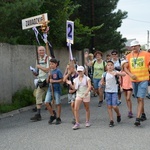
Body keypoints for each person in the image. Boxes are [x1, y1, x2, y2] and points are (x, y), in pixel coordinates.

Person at [124, 40, 150, 126]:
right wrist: (131, 75)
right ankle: (143, 114)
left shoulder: (146, 54)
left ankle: (137, 118)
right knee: (139, 98)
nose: (133, 48)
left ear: (139, 46)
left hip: (144, 79)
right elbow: (125, 68)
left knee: (140, 98)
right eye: (132, 46)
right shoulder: (128, 56)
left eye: (135, 46)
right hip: (134, 80)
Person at [100, 61, 125, 127]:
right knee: (109, 106)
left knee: (114, 106)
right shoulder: (104, 74)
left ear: (113, 66)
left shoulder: (115, 72)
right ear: (106, 67)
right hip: (107, 91)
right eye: (108, 65)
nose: (110, 66)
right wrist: (102, 83)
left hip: (114, 91)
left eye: (111, 65)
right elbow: (102, 81)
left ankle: (118, 114)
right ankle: (111, 120)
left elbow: (124, 74)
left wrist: (117, 73)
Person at [30, 46, 50, 121]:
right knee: (38, 96)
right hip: (40, 81)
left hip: (47, 81)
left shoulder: (48, 58)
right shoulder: (38, 60)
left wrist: (40, 67)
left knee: (49, 99)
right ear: (38, 52)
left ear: (44, 51)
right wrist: (34, 72)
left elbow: (48, 70)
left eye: (42, 50)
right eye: (40, 50)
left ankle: (54, 113)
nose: (41, 52)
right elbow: (37, 71)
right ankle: (38, 114)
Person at [68, 66, 91, 130]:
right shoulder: (75, 79)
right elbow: (75, 88)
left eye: (81, 71)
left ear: (84, 71)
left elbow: (89, 86)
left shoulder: (87, 78)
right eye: (78, 71)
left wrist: (87, 91)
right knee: (76, 108)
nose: (80, 72)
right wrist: (70, 84)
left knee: (87, 108)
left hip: (86, 94)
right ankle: (77, 123)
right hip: (79, 94)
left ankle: (87, 121)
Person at [44, 58, 63, 125]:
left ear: (56, 64)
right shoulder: (50, 71)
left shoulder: (58, 71)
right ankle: (52, 115)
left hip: (56, 89)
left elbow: (62, 80)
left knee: (58, 103)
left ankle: (58, 117)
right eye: (50, 64)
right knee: (46, 102)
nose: (51, 65)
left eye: (52, 64)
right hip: (50, 89)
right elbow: (47, 81)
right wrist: (49, 77)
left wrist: (54, 81)